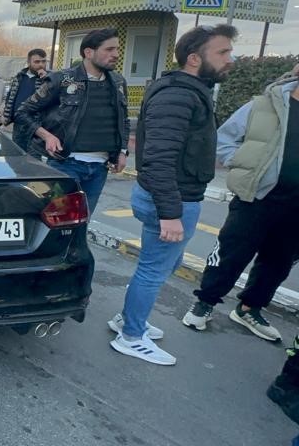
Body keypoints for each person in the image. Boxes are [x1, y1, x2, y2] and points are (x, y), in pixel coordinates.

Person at [109, 24, 236, 366]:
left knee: (162, 264)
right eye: (222, 53)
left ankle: (127, 319)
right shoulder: (179, 95)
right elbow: (160, 158)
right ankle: (131, 336)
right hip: (170, 199)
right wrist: (170, 213)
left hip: (173, 196)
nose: (230, 59)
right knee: (153, 270)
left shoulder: (189, 90)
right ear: (195, 58)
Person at [181, 67, 298, 343]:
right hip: (256, 198)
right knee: (231, 253)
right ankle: (205, 303)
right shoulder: (263, 105)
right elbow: (222, 140)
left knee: (278, 263)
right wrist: (247, 166)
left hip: (296, 208)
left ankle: (249, 309)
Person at [15, 28, 129, 215]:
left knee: (83, 221)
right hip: (64, 164)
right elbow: (23, 112)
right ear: (89, 52)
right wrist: (47, 136)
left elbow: (123, 120)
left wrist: (122, 151)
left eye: (117, 49)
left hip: (100, 167)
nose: (116, 54)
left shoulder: (117, 82)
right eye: (109, 49)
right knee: (59, 220)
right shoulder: (62, 80)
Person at [0, 48, 49, 151]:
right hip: (18, 125)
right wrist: (6, 115)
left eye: (43, 61)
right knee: (16, 155)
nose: (41, 65)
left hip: (37, 127)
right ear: (28, 62)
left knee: (33, 159)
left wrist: (47, 80)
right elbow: (11, 97)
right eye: (36, 62)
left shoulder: (50, 79)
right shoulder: (19, 77)